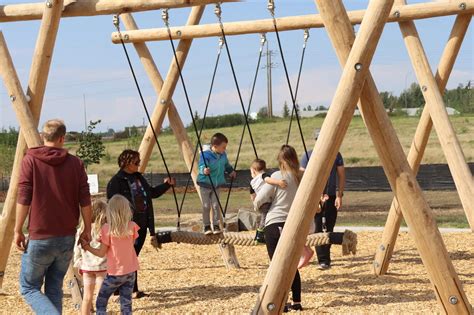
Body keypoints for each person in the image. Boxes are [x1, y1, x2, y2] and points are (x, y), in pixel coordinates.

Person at [14, 119, 92, 315]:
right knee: (54, 288)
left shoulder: (30, 160)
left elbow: (24, 198)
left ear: (43, 136)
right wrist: (87, 229)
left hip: (40, 235)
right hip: (66, 236)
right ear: (62, 138)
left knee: (29, 287)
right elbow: (85, 200)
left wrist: (17, 229)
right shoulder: (76, 163)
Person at [106, 149, 175, 298]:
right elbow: (112, 206)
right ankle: (129, 289)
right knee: (128, 256)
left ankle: (121, 288)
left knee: (131, 256)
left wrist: (166, 185)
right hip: (126, 226)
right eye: (136, 161)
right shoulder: (115, 182)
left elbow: (152, 193)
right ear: (126, 162)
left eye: (139, 161)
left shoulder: (139, 178)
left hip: (142, 225)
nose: (139, 164)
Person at [253, 145, 304, 312]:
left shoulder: (278, 175)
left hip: (276, 222)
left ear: (281, 160)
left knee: (276, 265)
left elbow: (260, 198)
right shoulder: (301, 176)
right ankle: (296, 301)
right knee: (291, 264)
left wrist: (257, 206)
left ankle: (280, 301)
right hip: (294, 224)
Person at [79, 194, 139, 315]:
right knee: (126, 303)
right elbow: (131, 245)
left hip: (115, 274)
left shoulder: (107, 229)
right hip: (130, 272)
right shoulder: (132, 227)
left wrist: (87, 247)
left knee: (101, 302)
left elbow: (101, 253)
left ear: (109, 211)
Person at [300, 128, 345, 270]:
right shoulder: (308, 156)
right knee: (318, 226)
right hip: (315, 196)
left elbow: (341, 175)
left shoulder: (336, 155)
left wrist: (339, 195)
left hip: (331, 195)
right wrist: (315, 194)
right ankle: (323, 259)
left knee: (329, 225)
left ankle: (326, 256)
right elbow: (302, 176)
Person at [197, 133, 236, 235]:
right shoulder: (205, 155)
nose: (225, 149)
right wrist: (204, 170)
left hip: (217, 184)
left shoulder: (223, 155)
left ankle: (216, 225)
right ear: (215, 146)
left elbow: (226, 164)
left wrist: (231, 171)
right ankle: (206, 226)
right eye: (223, 147)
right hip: (205, 183)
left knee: (215, 205)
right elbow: (201, 166)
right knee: (206, 206)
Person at [74, 198, 108, 315]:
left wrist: (78, 263)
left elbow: (77, 250)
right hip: (101, 268)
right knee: (100, 296)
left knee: (87, 297)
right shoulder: (104, 230)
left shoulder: (82, 230)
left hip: (87, 268)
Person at [249, 158, 287, 243]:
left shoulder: (252, 182)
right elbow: (268, 180)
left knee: (264, 216)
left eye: (251, 172)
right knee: (266, 217)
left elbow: (252, 195)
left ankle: (261, 233)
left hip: (260, 202)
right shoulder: (264, 175)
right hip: (267, 201)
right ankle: (259, 234)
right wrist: (278, 182)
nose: (251, 174)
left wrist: (255, 203)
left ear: (254, 170)